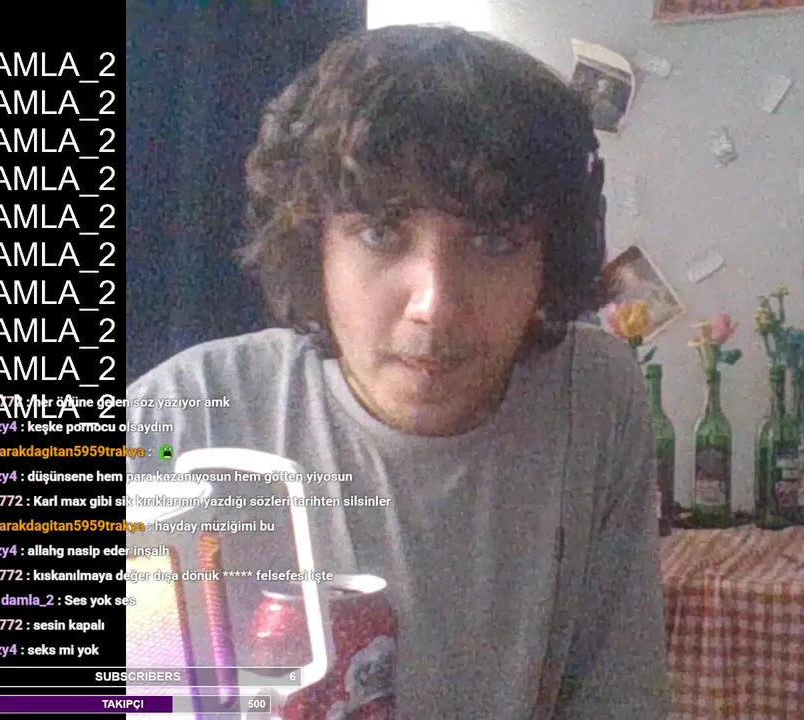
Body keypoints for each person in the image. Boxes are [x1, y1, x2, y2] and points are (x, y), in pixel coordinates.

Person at [125, 25, 669, 720]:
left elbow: (618, 696)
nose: (434, 305)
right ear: (315, 243)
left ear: (547, 260)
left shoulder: (593, 399)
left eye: (493, 241)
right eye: (382, 233)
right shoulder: (175, 424)